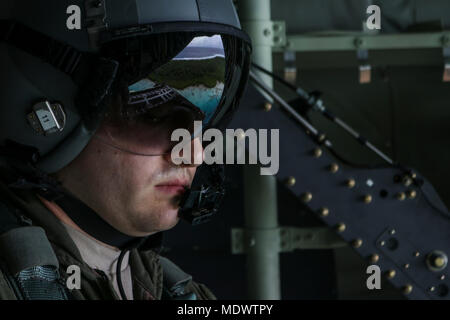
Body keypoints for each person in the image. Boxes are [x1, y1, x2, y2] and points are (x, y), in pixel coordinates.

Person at [0, 0, 251, 300]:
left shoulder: (179, 293)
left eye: (200, 124)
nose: (194, 154)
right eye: (154, 118)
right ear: (48, 116)